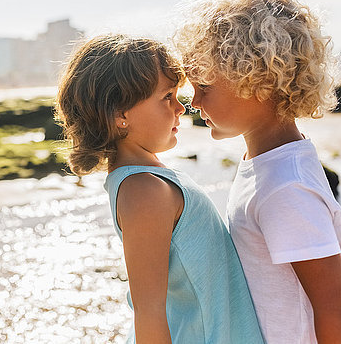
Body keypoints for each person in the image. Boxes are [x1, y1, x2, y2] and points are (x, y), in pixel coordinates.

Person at [176, 0, 341, 343]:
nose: (193, 102)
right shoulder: (265, 166)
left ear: (257, 79)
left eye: (205, 87)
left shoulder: (284, 186)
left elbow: (336, 308)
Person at [55, 34, 264, 343]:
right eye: (167, 97)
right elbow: (149, 312)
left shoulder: (147, 181)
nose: (181, 109)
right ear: (120, 114)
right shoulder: (144, 191)